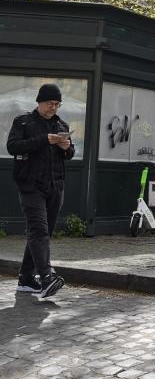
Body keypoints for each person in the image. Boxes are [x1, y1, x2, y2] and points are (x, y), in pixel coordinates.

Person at [6, 83, 74, 298]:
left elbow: (70, 153)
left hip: (55, 186)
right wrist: (43, 140)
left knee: (41, 233)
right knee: (39, 231)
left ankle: (26, 279)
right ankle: (46, 277)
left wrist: (66, 148)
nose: (53, 107)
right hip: (30, 185)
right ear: (39, 102)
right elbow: (13, 147)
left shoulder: (61, 124)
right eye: (49, 103)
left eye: (56, 104)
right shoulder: (23, 122)